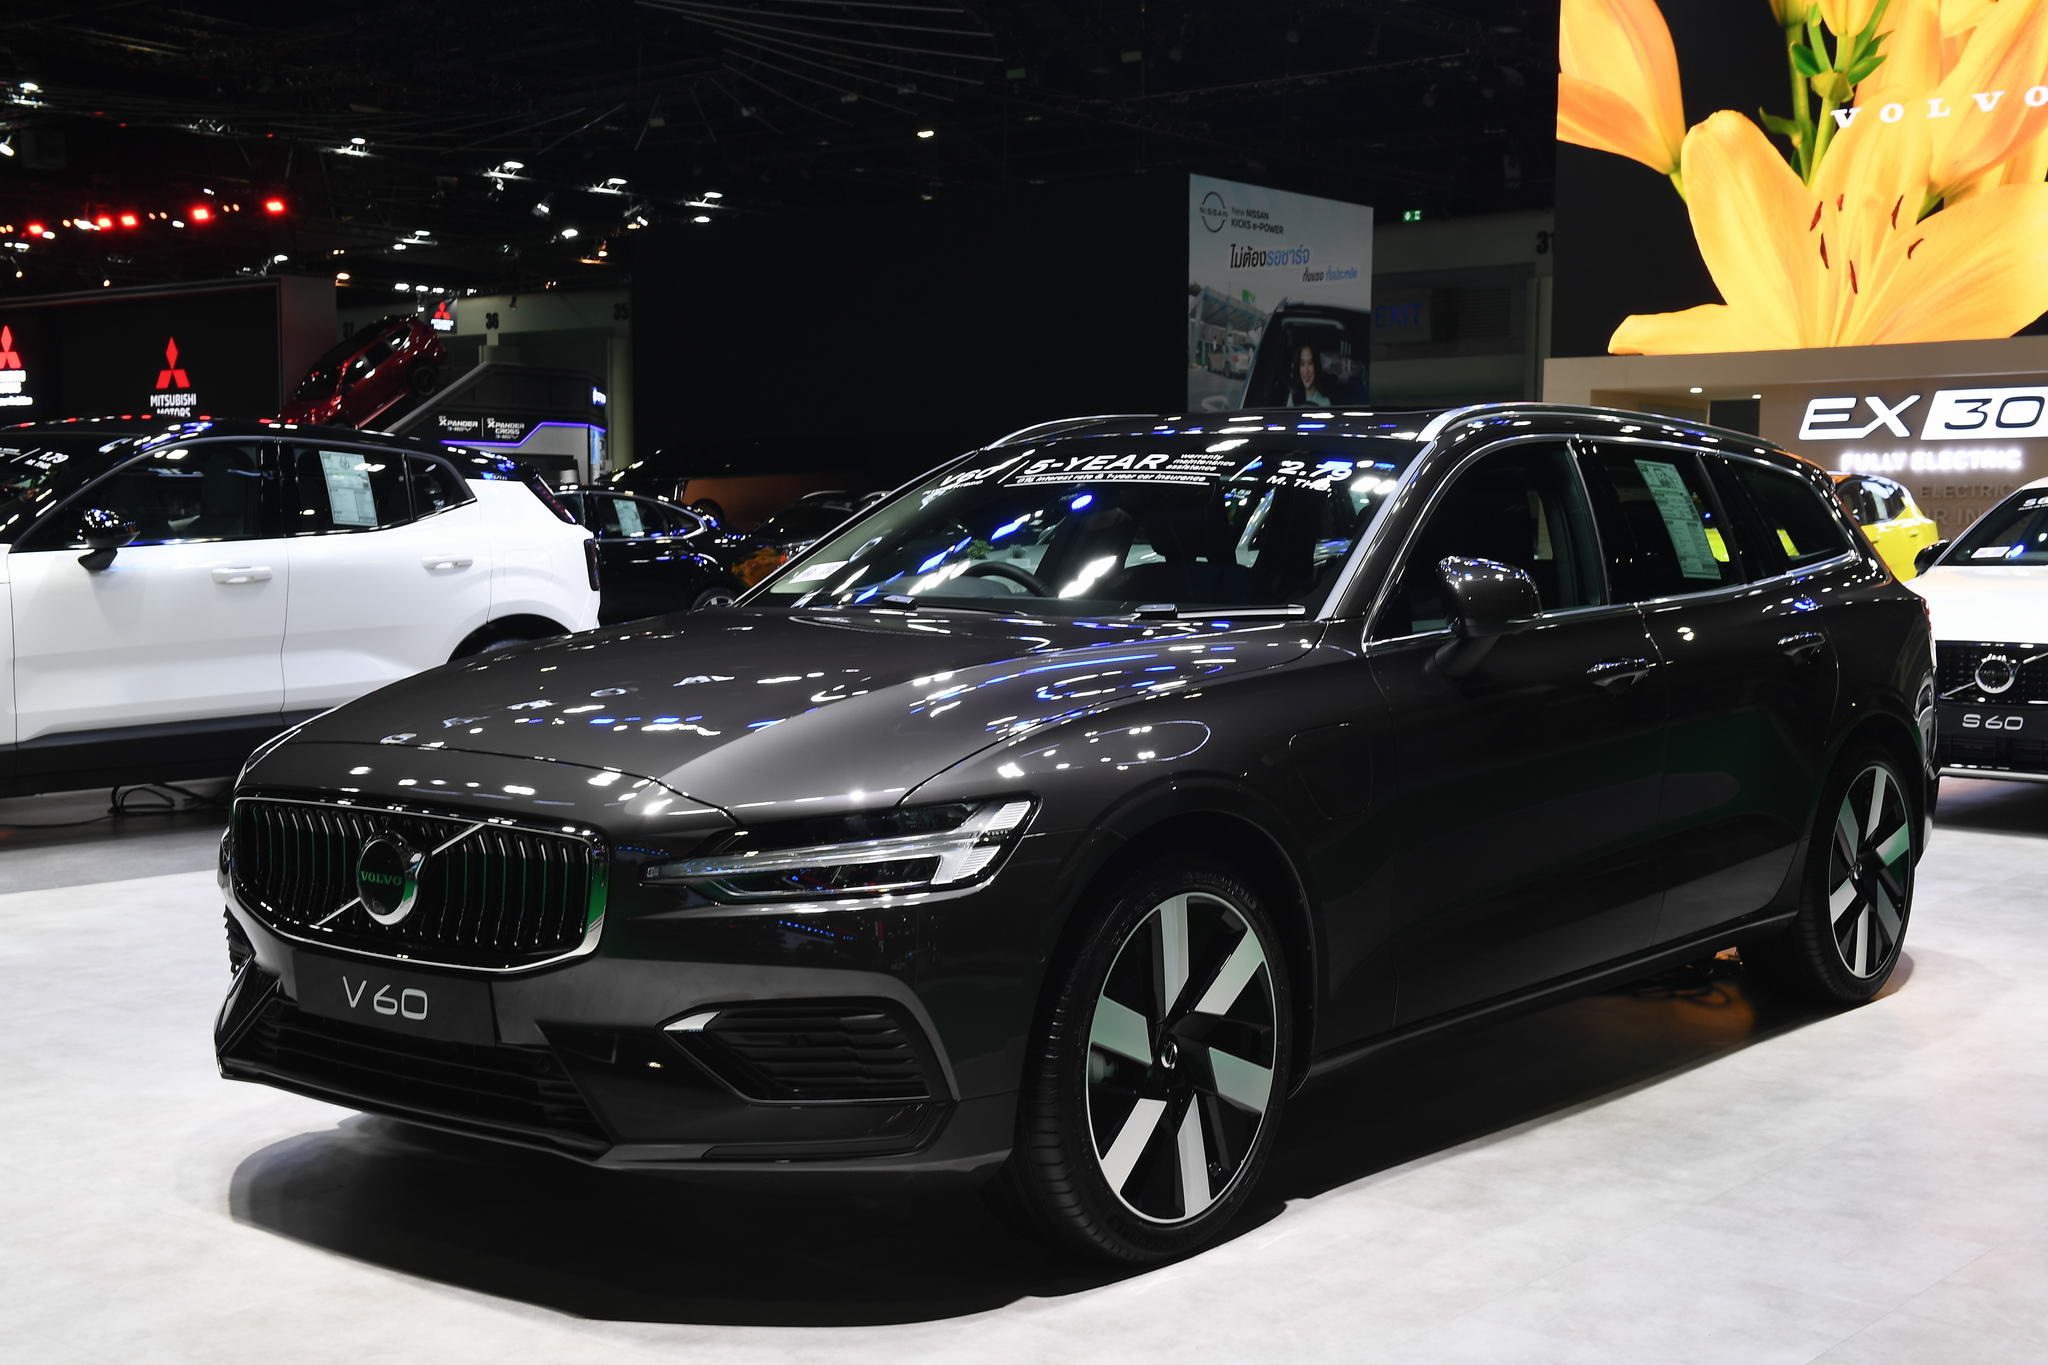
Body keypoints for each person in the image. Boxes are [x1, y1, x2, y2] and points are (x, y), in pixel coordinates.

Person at [1290, 343, 1331, 407]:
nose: (1306, 371)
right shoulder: (1292, 398)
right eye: (1302, 364)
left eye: (1310, 363)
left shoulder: (1324, 403)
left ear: (1316, 366)